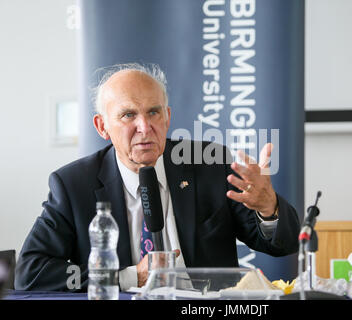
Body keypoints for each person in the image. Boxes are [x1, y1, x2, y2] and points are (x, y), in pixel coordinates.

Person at [15, 63, 300, 291]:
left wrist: (268, 209)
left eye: (154, 112)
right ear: (102, 127)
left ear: (168, 117)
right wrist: (126, 277)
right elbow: (30, 271)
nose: (145, 126)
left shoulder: (209, 163)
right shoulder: (74, 185)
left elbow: (283, 245)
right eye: (128, 115)